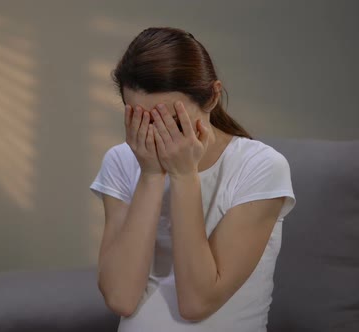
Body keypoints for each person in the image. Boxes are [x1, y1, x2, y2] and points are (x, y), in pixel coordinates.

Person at [89, 27, 296, 332]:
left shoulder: (260, 166)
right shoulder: (121, 161)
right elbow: (121, 298)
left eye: (171, 121)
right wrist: (150, 175)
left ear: (212, 97)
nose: (157, 135)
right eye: (142, 120)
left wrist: (184, 175)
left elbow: (196, 303)